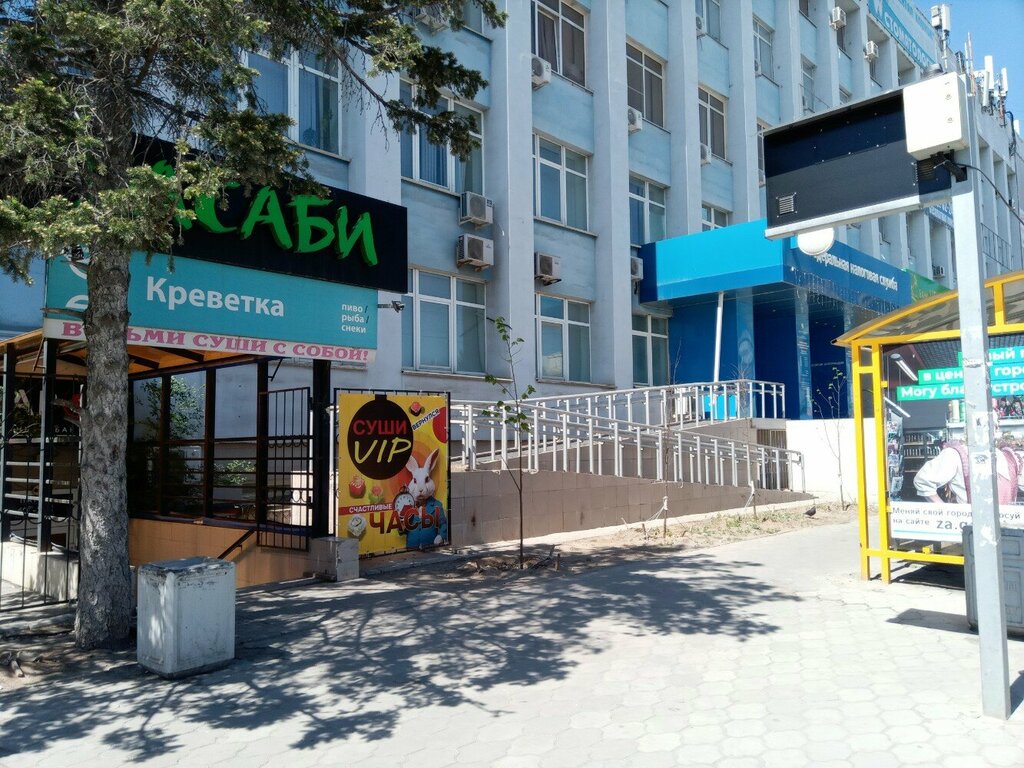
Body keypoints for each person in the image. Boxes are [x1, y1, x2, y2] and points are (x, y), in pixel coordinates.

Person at [914, 437, 1024, 504]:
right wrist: (944, 511)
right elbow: (923, 480)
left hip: (1006, 526)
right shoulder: (955, 454)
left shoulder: (1010, 456)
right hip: (970, 527)